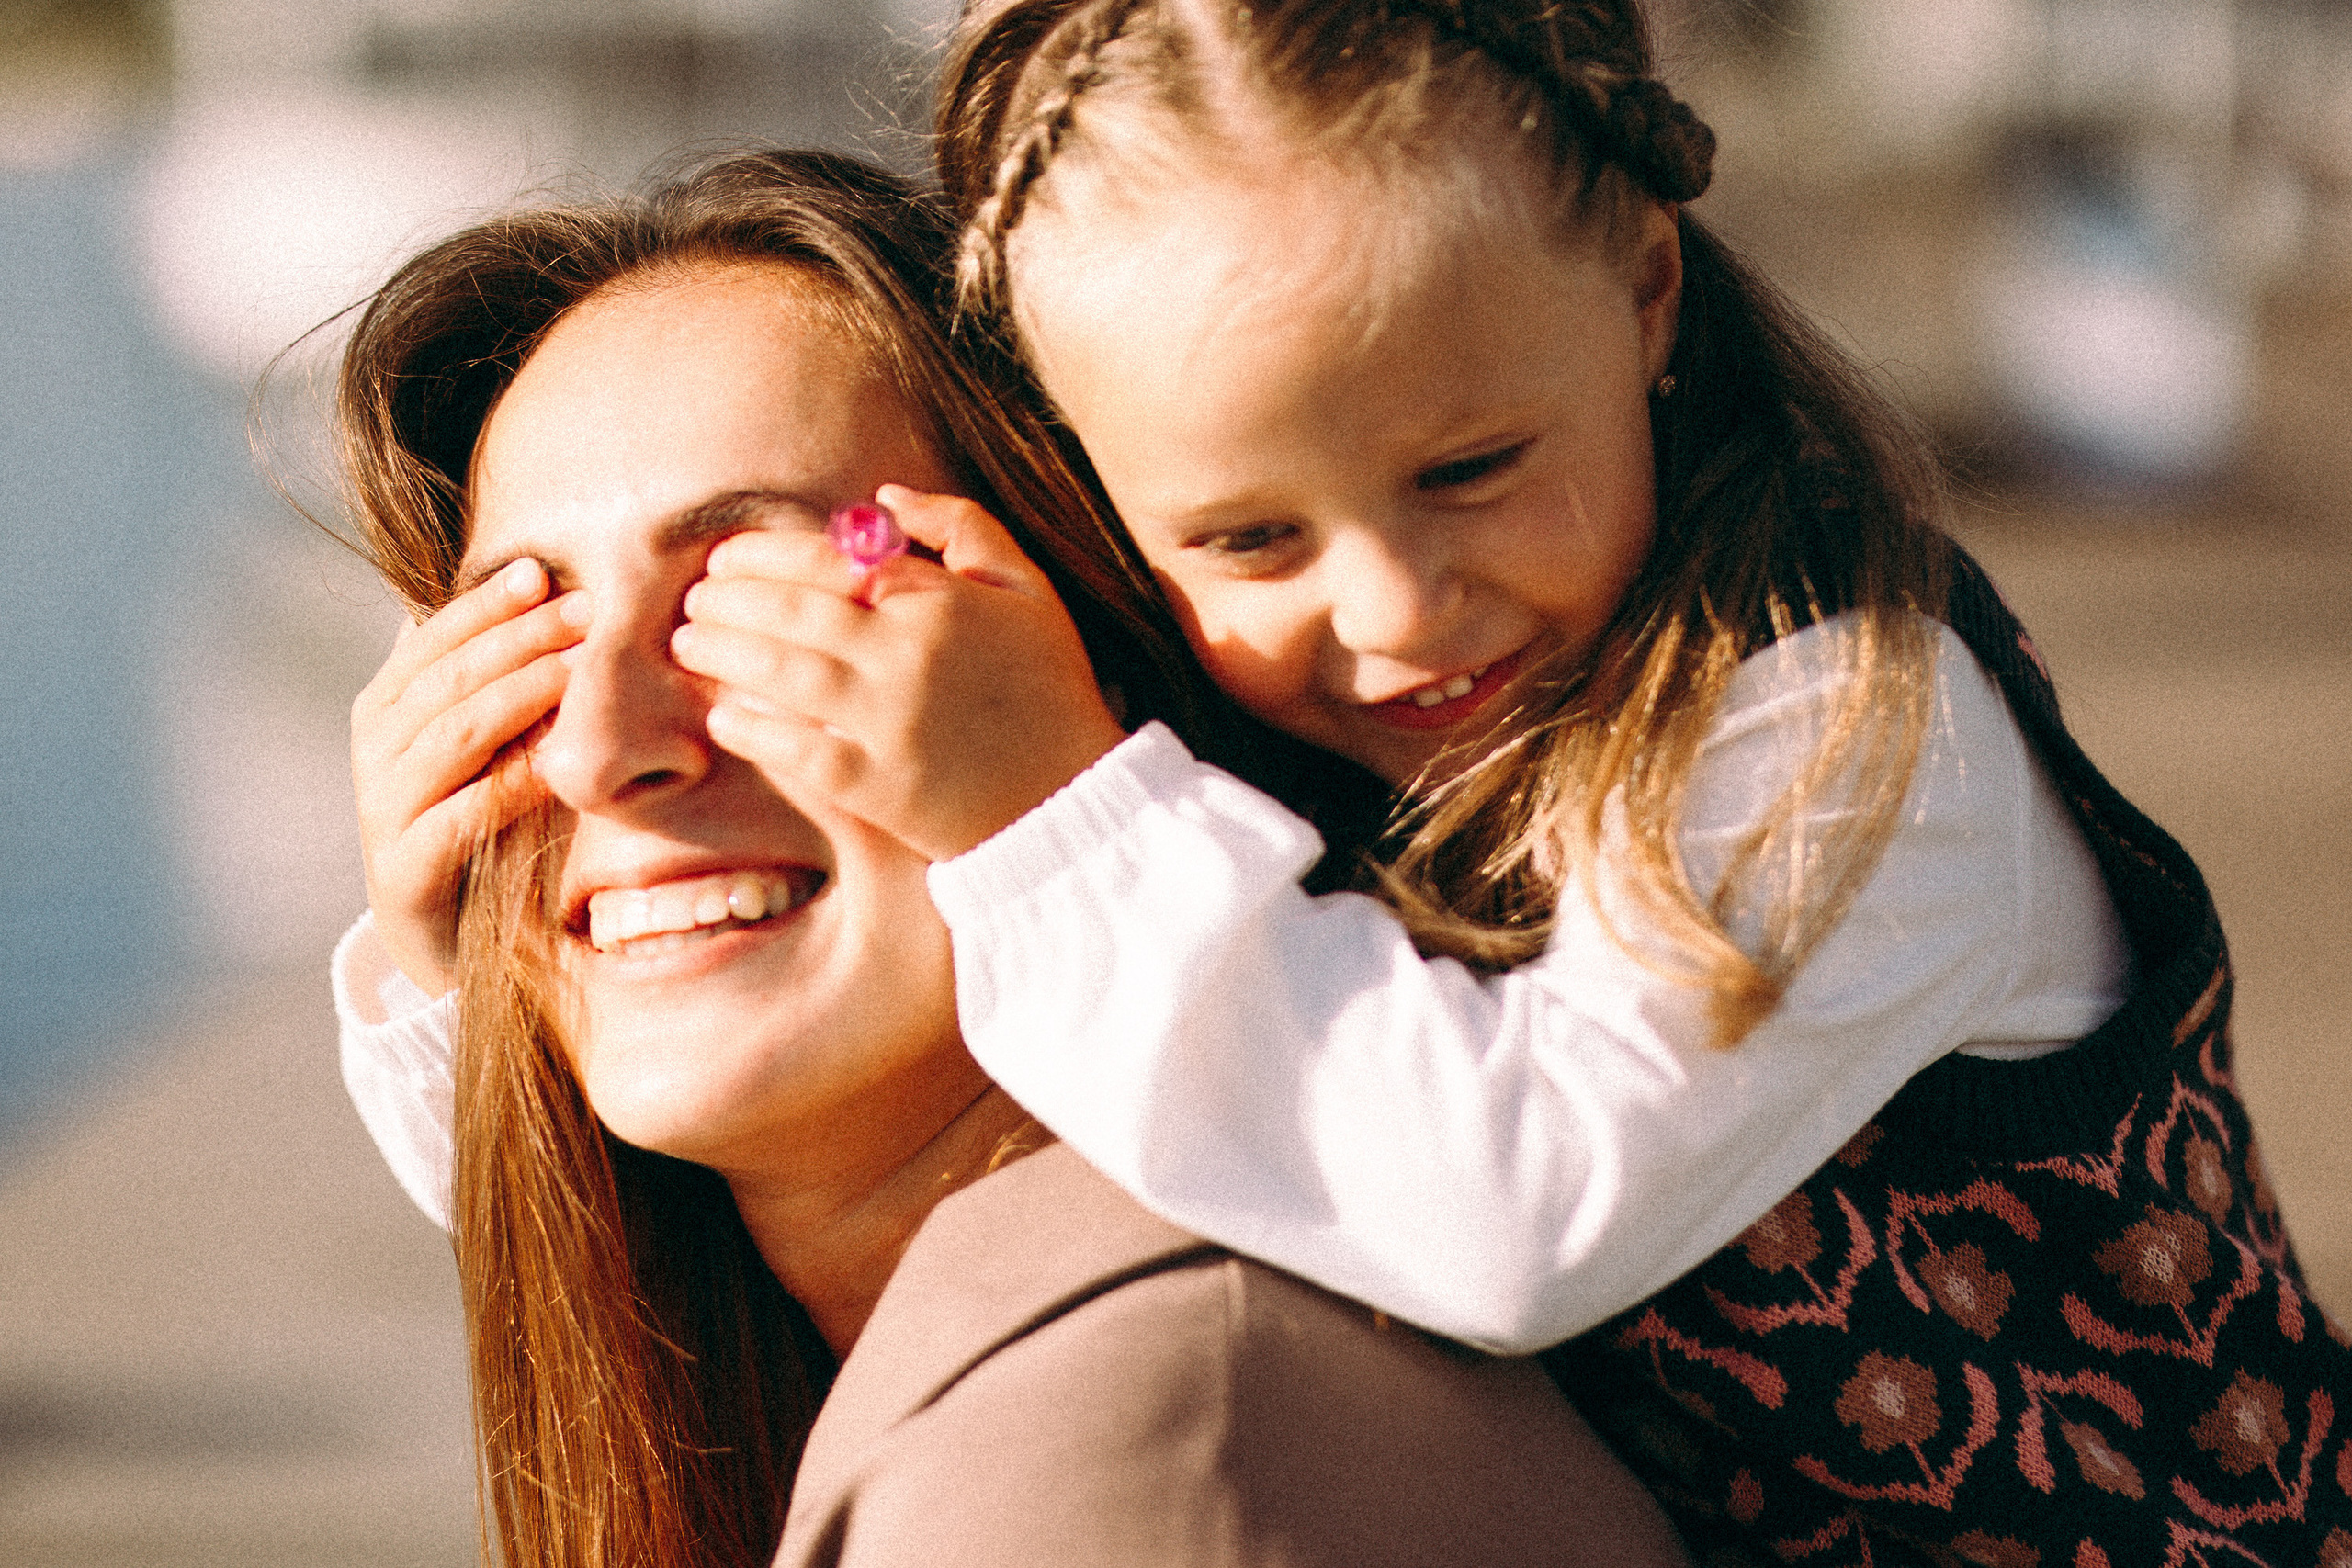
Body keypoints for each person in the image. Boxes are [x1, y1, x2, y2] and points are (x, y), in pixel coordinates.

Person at [648, 2, 2347, 1562]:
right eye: (1249, 536)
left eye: (1469, 469)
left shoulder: (1858, 732)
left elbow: (1512, 1204)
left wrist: (1038, 813)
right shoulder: (1274, 759)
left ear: (1646, 288)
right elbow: (901, 1126)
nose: (1392, 609)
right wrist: (465, 986)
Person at [328, 146, 1691, 1568]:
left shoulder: (1105, 1450)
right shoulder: (959, 1370)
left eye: (761, 601)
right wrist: (488, 988)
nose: (600, 748)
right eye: (520, 634)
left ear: (1102, 678)